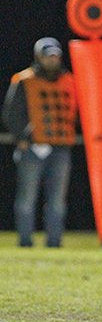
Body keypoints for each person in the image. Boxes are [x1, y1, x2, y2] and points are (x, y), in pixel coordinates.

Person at [2, 38, 78, 248]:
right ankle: (25, 241)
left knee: (57, 201)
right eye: (48, 56)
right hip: (33, 148)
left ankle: (54, 241)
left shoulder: (69, 80)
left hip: (60, 147)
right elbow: (11, 113)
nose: (52, 60)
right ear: (39, 57)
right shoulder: (24, 80)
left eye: (55, 56)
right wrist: (22, 138)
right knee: (27, 198)